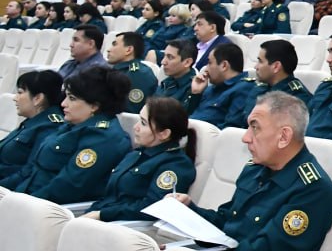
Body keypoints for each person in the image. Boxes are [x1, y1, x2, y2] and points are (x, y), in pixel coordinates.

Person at [174, 92, 332, 251]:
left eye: (255, 128)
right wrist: (190, 211)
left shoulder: (314, 190)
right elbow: (226, 221)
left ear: (284, 137)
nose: (245, 138)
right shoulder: (254, 170)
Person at [9, 66, 132, 203]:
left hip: (45, 209)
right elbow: (31, 170)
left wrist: (16, 204)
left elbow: (65, 188)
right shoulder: (72, 125)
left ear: (94, 106)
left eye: (72, 98)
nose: (63, 104)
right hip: (24, 198)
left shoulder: (104, 138)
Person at [83, 96, 198, 222]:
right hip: (101, 219)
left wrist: (102, 214)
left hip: (126, 227)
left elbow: (153, 208)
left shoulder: (175, 164)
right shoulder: (137, 154)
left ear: (164, 134)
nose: (135, 127)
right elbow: (110, 197)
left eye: (143, 123)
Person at [0, 70, 66, 186]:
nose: (15, 98)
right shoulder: (33, 121)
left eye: (20, 93)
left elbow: (29, 172)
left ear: (38, 99)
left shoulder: (49, 127)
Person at [189, 43, 259, 128]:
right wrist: (196, 94)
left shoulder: (244, 88)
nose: (206, 69)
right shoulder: (209, 89)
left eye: (210, 63)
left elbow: (231, 128)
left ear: (224, 65)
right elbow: (189, 116)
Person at [106, 31, 158, 113]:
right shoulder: (116, 70)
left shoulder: (139, 74)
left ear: (128, 50)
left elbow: (131, 111)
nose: (108, 50)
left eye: (115, 44)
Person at [157, 39, 198, 112]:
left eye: (170, 57)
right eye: (164, 56)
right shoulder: (166, 82)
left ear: (187, 62)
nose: (163, 62)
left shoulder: (193, 89)